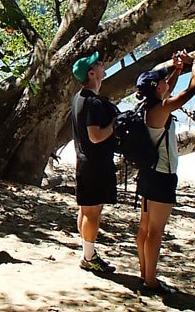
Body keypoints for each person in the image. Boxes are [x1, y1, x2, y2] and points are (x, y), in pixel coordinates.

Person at [134, 50, 195, 294]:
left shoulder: (148, 106)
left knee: (145, 228)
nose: (166, 83)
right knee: (155, 231)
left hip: (148, 175)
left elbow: (168, 89)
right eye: (162, 81)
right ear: (157, 88)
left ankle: (144, 273)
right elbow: (190, 92)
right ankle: (150, 280)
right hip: (161, 177)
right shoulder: (160, 110)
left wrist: (178, 70)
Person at [71, 51, 119, 273]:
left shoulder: (79, 98)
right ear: (92, 73)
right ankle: (89, 257)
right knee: (92, 213)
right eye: (98, 64)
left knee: (85, 210)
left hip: (84, 163)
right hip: (94, 164)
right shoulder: (93, 102)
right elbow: (95, 136)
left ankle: (86, 252)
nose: (102, 65)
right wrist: (115, 126)